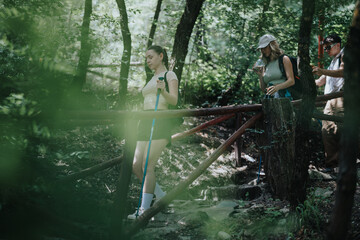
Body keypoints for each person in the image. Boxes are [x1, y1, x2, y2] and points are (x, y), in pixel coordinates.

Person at [127, 45, 179, 219]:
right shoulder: (152, 78)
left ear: (161, 56)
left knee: (147, 166)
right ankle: (162, 197)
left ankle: (144, 211)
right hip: (145, 121)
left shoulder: (169, 75)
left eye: (150, 57)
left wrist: (163, 91)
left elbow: (174, 100)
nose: (148, 60)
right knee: (136, 165)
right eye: (146, 58)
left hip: (160, 121)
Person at [312, 34, 344, 170]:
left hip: (342, 98)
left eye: (328, 47)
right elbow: (319, 82)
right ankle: (332, 163)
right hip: (329, 100)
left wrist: (321, 70)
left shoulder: (345, 56)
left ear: (337, 45)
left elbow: (343, 72)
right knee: (327, 131)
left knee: (343, 130)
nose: (326, 51)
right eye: (324, 49)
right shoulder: (332, 62)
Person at [253, 34, 295, 99]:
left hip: (283, 97)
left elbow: (291, 81)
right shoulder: (265, 63)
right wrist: (260, 75)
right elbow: (264, 89)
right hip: (270, 98)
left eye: (265, 47)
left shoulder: (284, 59)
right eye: (261, 48)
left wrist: (277, 87)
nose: (263, 50)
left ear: (272, 46)